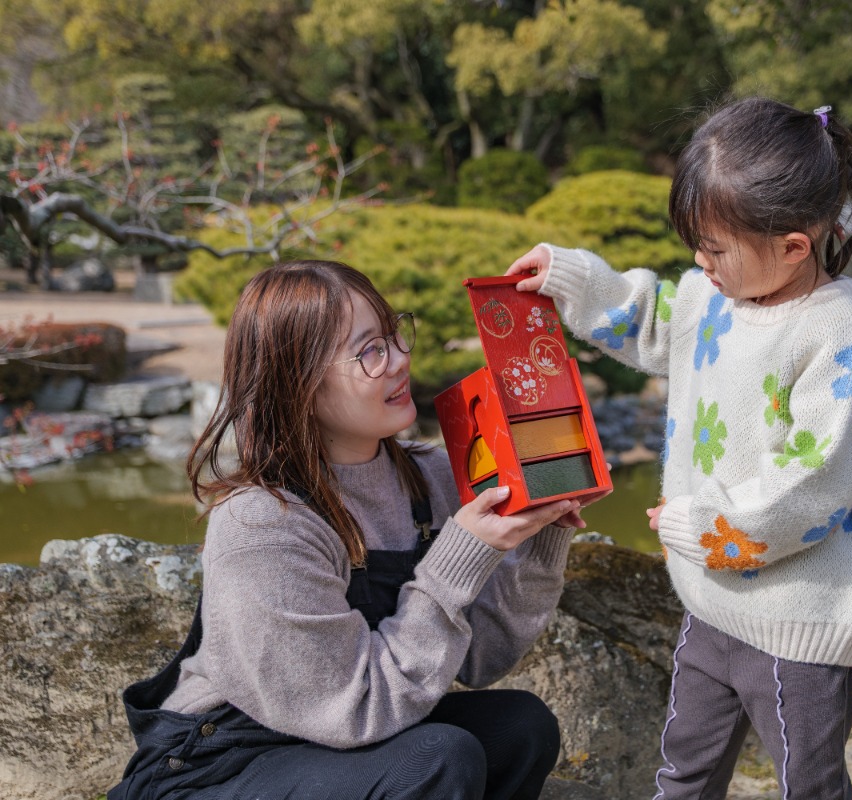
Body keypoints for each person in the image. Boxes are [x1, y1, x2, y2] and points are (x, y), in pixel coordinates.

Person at [506, 98, 852, 799]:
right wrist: (570, 276)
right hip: (712, 600)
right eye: (696, 243)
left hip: (801, 619)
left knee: (808, 782)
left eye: (715, 247)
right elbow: (652, 317)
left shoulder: (835, 334)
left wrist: (695, 527)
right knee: (685, 768)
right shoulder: (713, 295)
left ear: (793, 245)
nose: (700, 262)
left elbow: (811, 485)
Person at [108, 259, 603, 800]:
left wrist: (543, 536)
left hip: (335, 742)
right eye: (370, 350)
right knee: (437, 760)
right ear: (299, 384)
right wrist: (455, 558)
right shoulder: (263, 523)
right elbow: (354, 710)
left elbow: (479, 659)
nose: (399, 360)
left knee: (521, 726)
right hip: (223, 760)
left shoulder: (429, 476)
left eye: (394, 334)